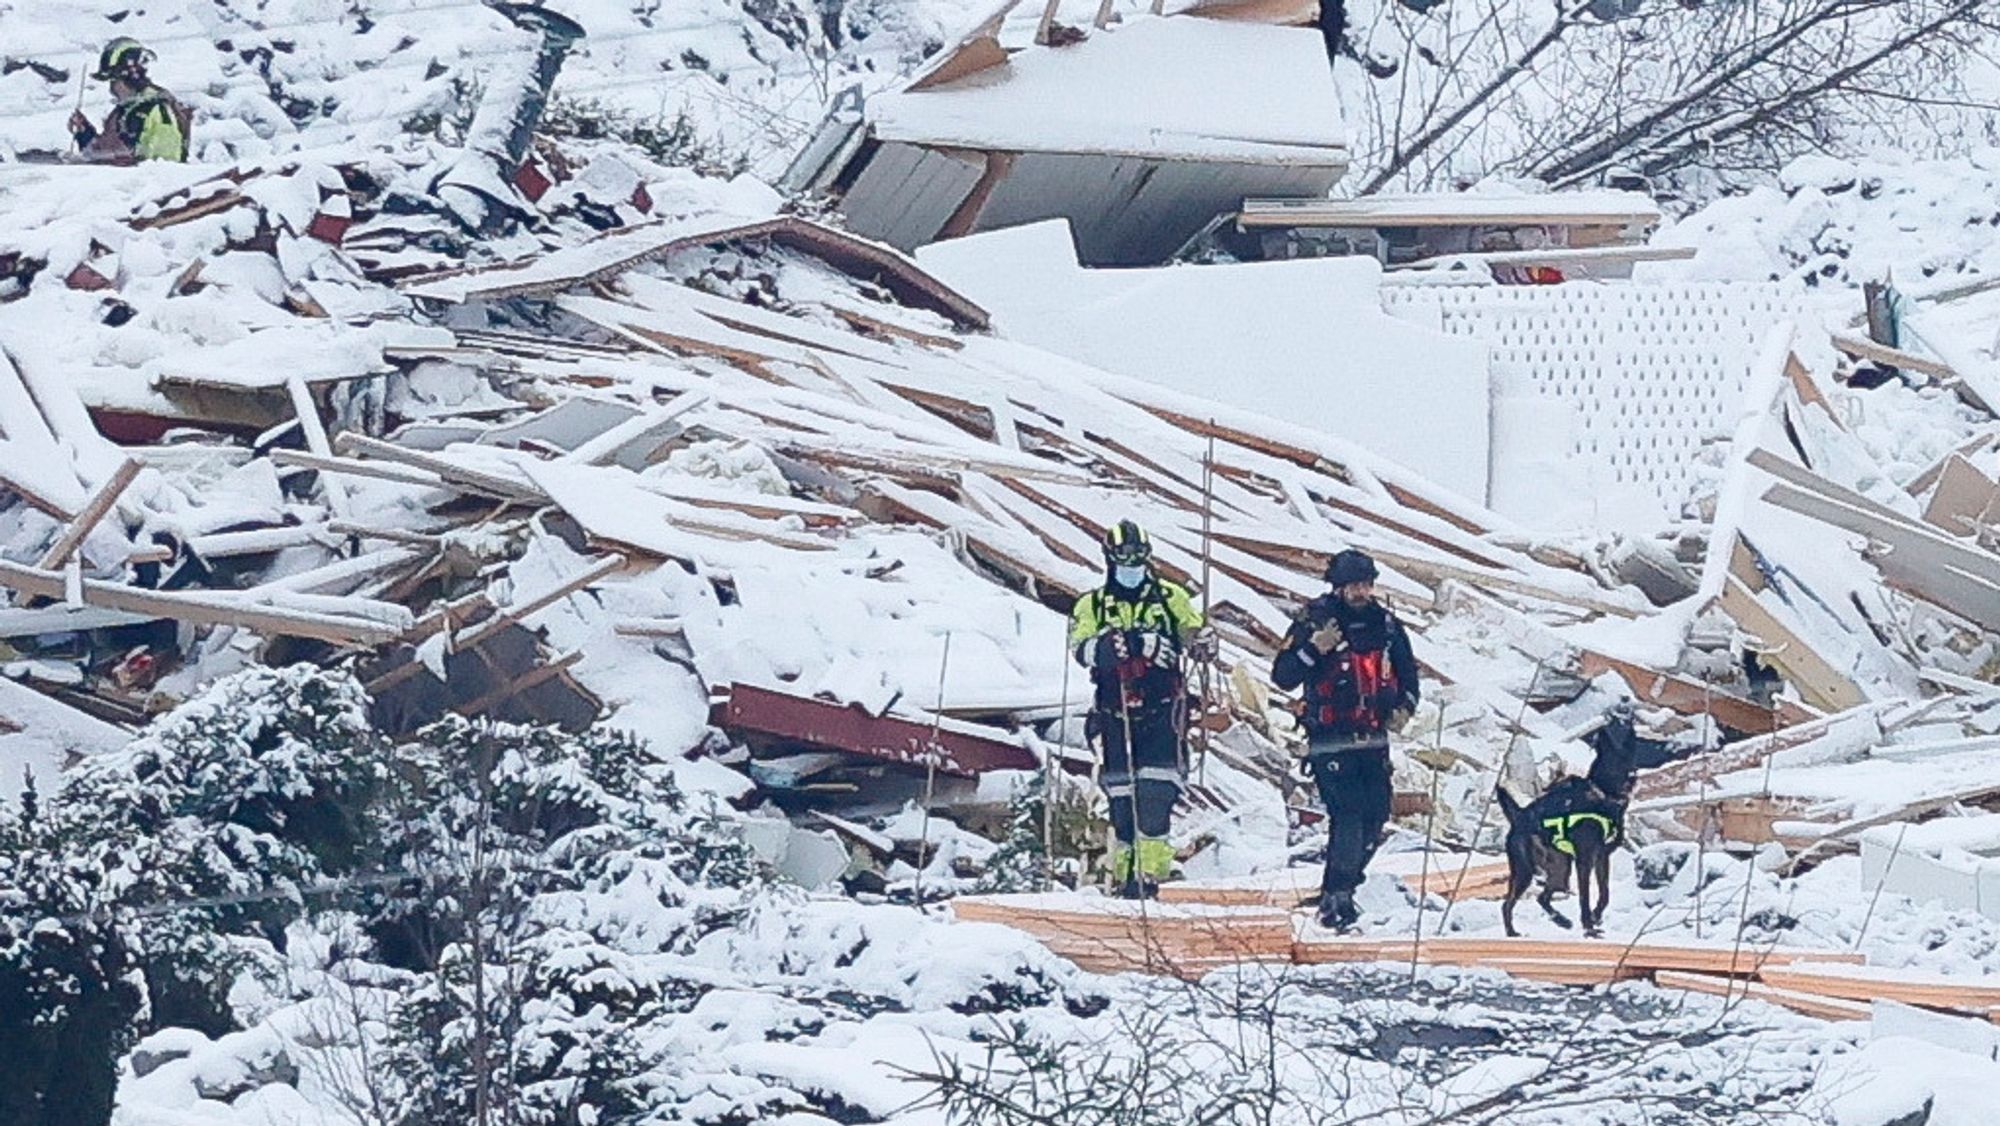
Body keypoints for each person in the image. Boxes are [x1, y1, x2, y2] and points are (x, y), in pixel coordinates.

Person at [1271, 548, 1420, 930]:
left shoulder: (1387, 626)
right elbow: (1283, 675)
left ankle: (1346, 884)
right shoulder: (1314, 621)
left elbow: (1408, 675)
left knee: (1376, 814)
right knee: (1348, 814)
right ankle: (1337, 896)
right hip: (1329, 737)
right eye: (1353, 585)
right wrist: (1312, 649)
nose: (1361, 592)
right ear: (1337, 587)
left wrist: (1404, 707)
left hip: (1372, 737)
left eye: (1366, 585)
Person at [1068, 520, 1209, 899]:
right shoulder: (1092, 605)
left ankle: (1150, 878)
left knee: (1155, 796)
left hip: (1163, 712)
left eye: (1138, 557)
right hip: (1114, 716)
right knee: (1122, 805)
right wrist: (1125, 644)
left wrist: (1200, 641)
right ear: (1110, 560)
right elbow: (1081, 649)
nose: (1131, 565)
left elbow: (1191, 634)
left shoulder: (1170, 597)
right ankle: (1122, 879)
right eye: (1124, 558)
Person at [69, 38, 191, 164]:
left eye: (114, 81)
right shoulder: (122, 112)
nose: (112, 88)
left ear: (130, 78)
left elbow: (166, 164)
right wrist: (84, 133)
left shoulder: (158, 111)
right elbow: (104, 151)